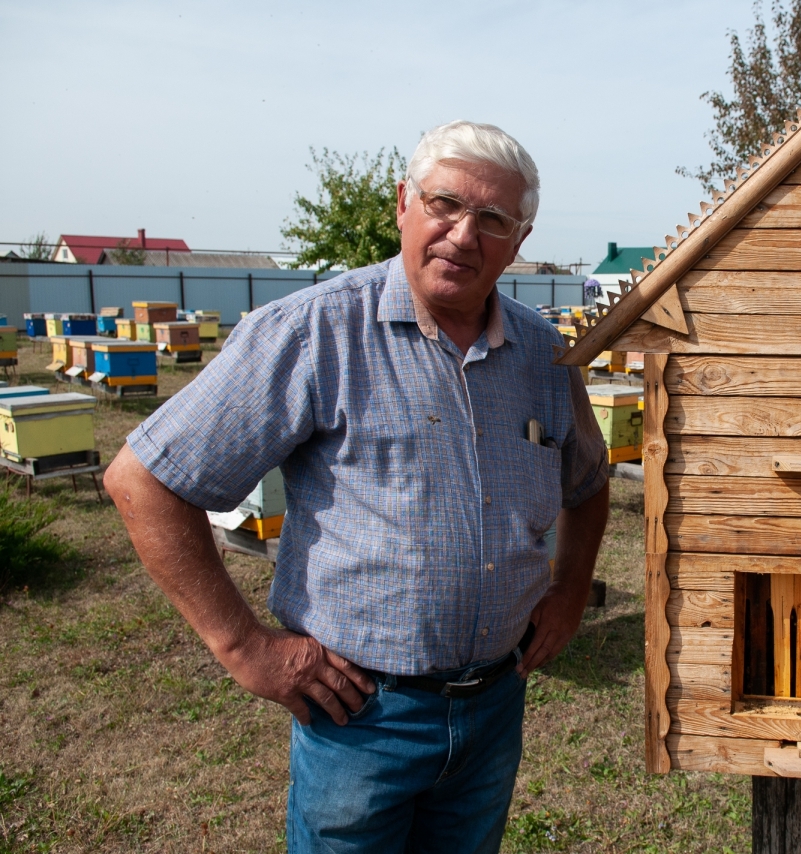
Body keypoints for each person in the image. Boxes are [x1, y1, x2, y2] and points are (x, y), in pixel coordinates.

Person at [104, 120, 610, 853]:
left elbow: (588, 482)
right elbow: (142, 480)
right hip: (361, 718)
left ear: (520, 240)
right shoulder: (312, 333)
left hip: (495, 704)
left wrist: (569, 592)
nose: (464, 236)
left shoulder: (543, 353)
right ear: (403, 204)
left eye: (493, 219)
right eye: (444, 205)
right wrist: (244, 646)